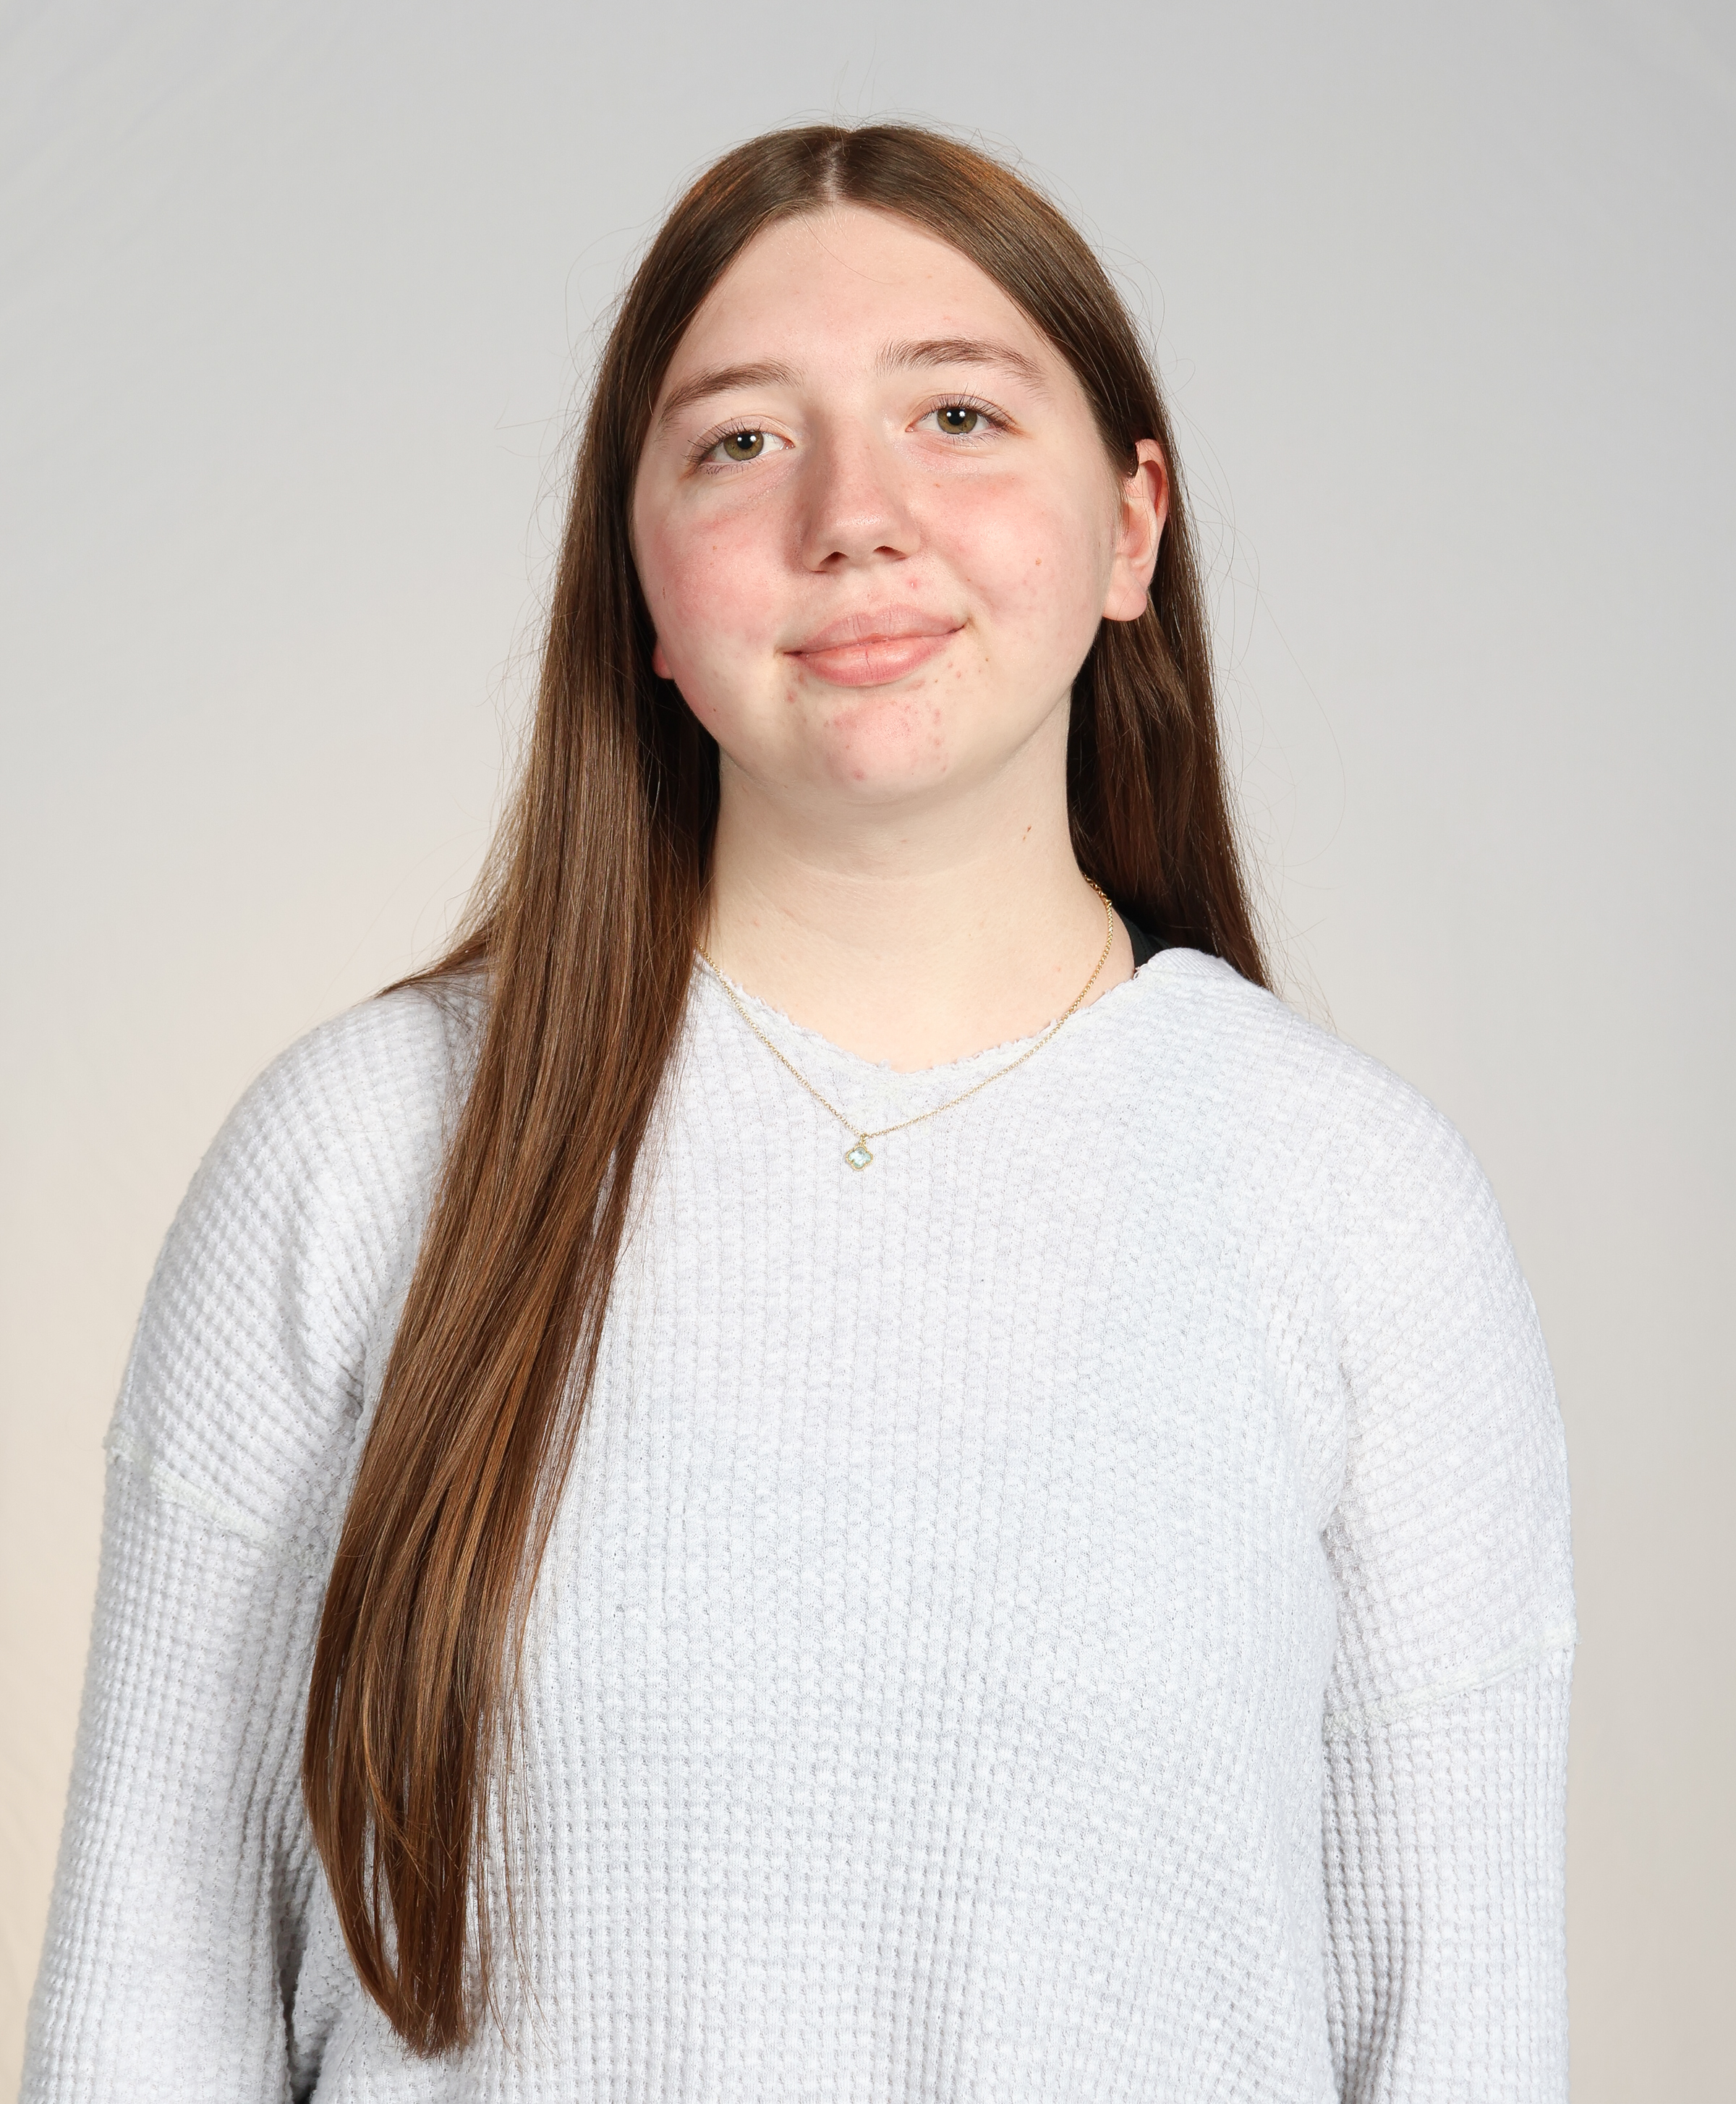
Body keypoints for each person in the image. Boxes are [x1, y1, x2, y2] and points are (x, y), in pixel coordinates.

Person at [21, 124, 1576, 2100]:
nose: (856, 517)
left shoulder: (1355, 1202)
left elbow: (1461, 2041)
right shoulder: (362, 1153)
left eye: (958, 415)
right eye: (742, 442)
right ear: (642, 591)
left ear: (1130, 528)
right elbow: (145, 2005)